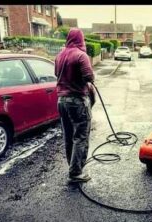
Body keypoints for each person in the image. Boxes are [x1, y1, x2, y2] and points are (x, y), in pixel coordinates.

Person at [55, 28, 96, 183]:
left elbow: (56, 74)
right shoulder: (81, 55)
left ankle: (72, 166)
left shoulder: (59, 55)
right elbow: (89, 77)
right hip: (77, 100)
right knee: (80, 136)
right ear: (81, 39)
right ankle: (76, 172)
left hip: (61, 101)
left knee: (68, 135)